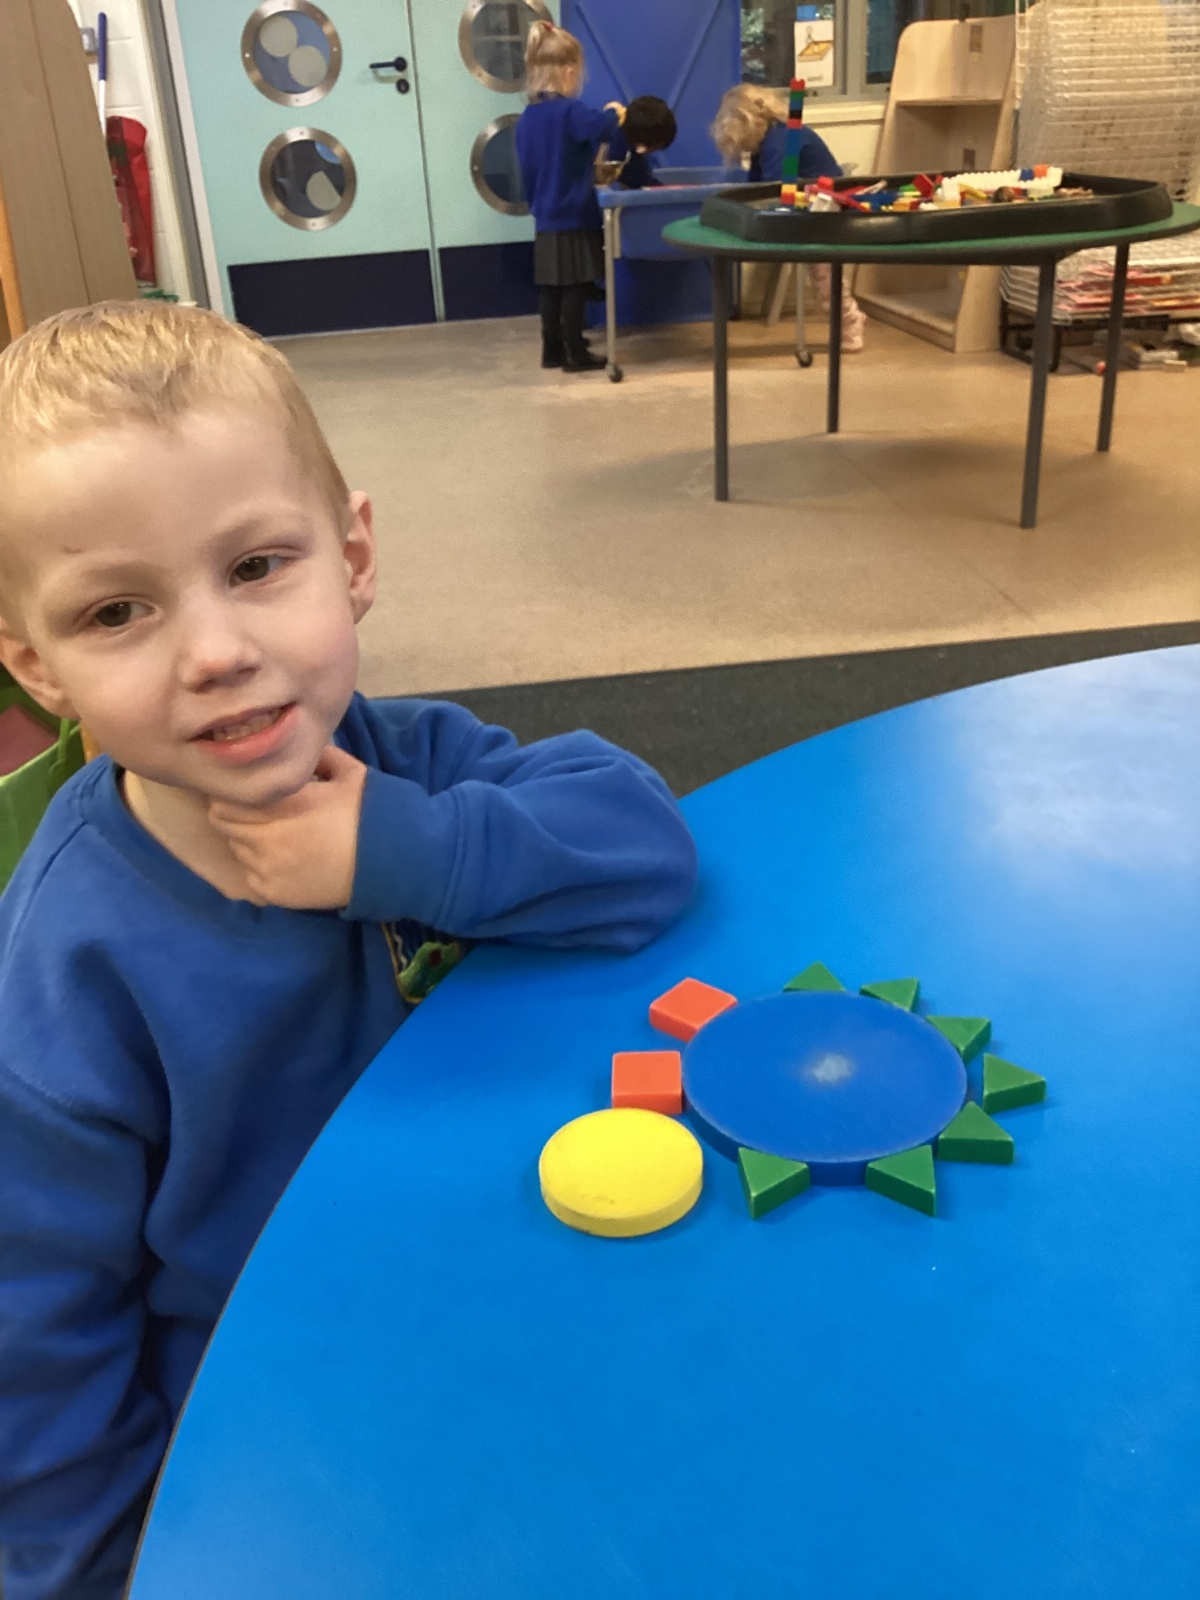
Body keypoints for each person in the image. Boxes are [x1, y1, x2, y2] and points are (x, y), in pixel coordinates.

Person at [0, 301, 698, 1600]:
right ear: (37, 666)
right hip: (284, 1424)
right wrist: (107, 1575)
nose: (217, 653)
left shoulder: (405, 760)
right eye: (117, 612)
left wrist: (404, 850)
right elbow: (37, 1348)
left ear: (354, 555)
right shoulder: (63, 976)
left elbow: (643, 846)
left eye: (258, 566)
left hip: (512, 1286)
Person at [711, 84, 867, 353]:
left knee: (824, 274)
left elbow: (773, 191)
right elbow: (757, 189)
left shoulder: (781, 142)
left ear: (751, 126)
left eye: (744, 144)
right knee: (821, 273)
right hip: (807, 209)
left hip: (827, 211)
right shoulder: (769, 142)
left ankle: (851, 320)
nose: (746, 151)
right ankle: (847, 318)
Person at [516, 21, 624, 372]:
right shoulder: (570, 111)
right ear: (567, 71)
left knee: (551, 287)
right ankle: (576, 351)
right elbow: (599, 127)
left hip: (545, 215)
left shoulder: (529, 116)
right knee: (576, 284)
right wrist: (615, 112)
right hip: (573, 211)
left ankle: (551, 349)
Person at [604, 95, 678, 191]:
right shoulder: (613, 148)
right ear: (642, 148)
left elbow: (642, 180)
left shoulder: (632, 144)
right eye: (654, 148)